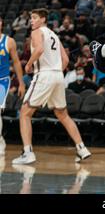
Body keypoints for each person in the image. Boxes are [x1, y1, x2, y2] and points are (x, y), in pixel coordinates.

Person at [12, 9, 91, 165]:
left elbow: (40, 49)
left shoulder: (36, 32)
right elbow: (66, 60)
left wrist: (28, 64)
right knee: (62, 114)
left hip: (45, 74)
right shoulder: (54, 35)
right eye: (31, 18)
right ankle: (82, 148)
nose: (32, 21)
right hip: (58, 75)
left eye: (34, 18)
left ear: (43, 19)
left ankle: (28, 153)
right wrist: (55, 72)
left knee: (25, 113)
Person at [0, 16, 25, 156]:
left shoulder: (9, 41)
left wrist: (21, 83)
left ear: (1, 23)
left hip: (2, 80)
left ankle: (0, 144)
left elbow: (16, 62)